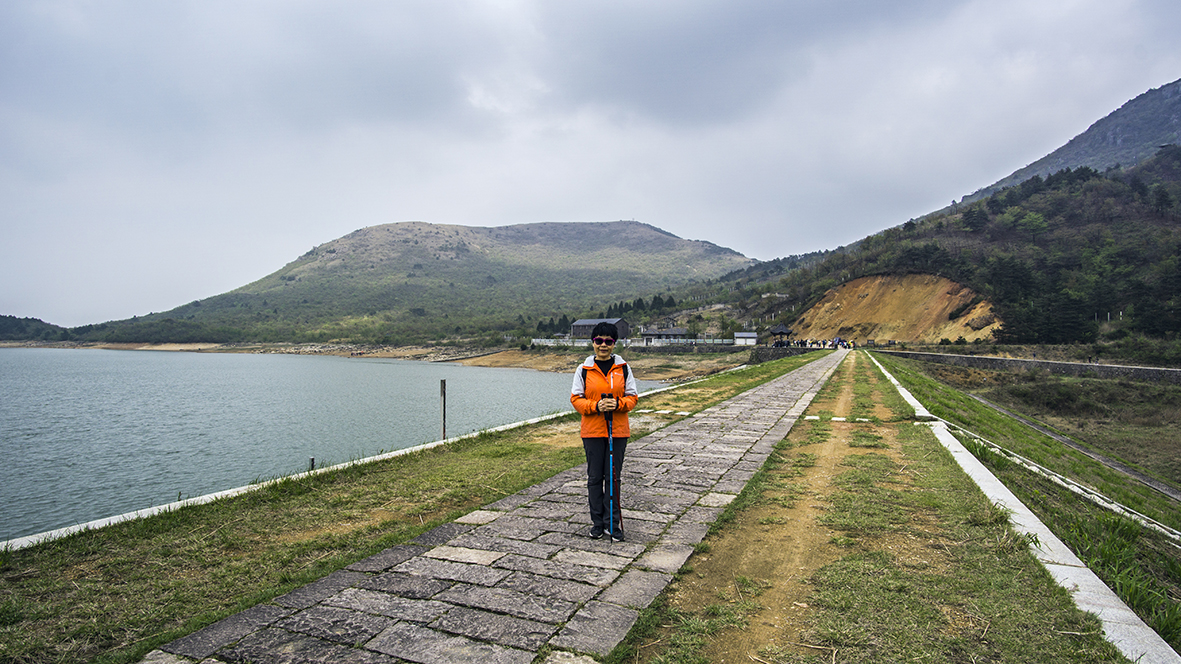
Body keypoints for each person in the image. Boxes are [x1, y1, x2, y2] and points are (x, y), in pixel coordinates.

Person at [570, 321, 638, 541]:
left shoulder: (624, 368)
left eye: (608, 341)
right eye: (599, 341)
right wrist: (595, 406)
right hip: (592, 432)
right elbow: (576, 399)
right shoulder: (583, 370)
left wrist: (618, 404)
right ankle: (597, 523)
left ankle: (613, 523)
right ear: (593, 342)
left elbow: (632, 397)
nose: (603, 345)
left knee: (613, 478)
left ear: (614, 344)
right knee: (594, 478)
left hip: (617, 432)